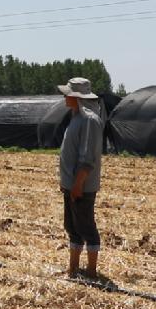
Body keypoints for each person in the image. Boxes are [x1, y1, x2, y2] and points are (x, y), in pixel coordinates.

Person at [57, 77, 103, 279]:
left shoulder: (89, 120)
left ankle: (91, 272)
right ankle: (73, 269)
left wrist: (78, 184)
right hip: (71, 184)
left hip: (81, 186)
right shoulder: (76, 117)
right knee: (72, 227)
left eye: (68, 93)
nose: (65, 96)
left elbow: (87, 158)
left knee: (86, 227)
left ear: (77, 97)